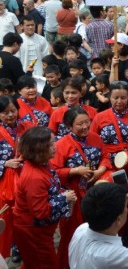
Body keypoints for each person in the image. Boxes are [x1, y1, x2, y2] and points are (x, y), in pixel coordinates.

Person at [50, 107, 110, 268]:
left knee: (97, 229)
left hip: (94, 191)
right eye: (79, 124)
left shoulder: (96, 138)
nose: (85, 127)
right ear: (69, 127)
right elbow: (54, 171)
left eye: (87, 122)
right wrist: (75, 171)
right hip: (73, 195)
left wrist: (101, 170)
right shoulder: (61, 145)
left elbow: (105, 156)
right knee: (72, 233)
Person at [13, 126, 76, 268]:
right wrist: (64, 198)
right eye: (51, 144)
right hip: (33, 232)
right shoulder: (33, 176)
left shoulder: (41, 164)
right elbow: (40, 212)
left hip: (39, 231)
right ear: (39, 149)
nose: (56, 146)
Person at [68, 183, 128, 269]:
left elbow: (111, 218)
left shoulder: (81, 229)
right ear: (118, 219)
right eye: (125, 207)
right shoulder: (108, 256)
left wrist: (121, 202)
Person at [0, 95, 34, 258]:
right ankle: (10, 247)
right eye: (5, 113)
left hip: (27, 175)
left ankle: (22, 245)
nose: (10, 115)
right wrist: (4, 164)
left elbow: (38, 148)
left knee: (25, 212)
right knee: (9, 213)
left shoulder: (27, 127)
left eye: (13, 111)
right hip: (4, 180)